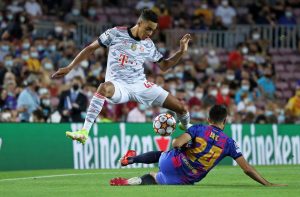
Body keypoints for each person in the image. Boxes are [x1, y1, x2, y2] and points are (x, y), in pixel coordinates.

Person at [52, 9, 192, 144]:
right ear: (140, 22)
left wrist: (181, 52)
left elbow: (164, 66)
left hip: (140, 85)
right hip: (118, 85)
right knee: (103, 88)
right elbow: (90, 48)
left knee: (181, 108)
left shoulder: (148, 44)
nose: (150, 33)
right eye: (148, 28)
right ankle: (84, 132)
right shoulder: (115, 33)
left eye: (153, 30)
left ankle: (187, 128)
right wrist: (70, 67)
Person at [110, 105, 286, 186]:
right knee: (156, 178)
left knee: (164, 154)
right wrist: (267, 184)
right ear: (225, 121)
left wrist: (184, 145)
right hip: (186, 178)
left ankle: (131, 160)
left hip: (172, 163)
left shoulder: (199, 128)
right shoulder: (230, 143)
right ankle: (137, 180)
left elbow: (175, 143)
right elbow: (247, 169)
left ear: (209, 119)